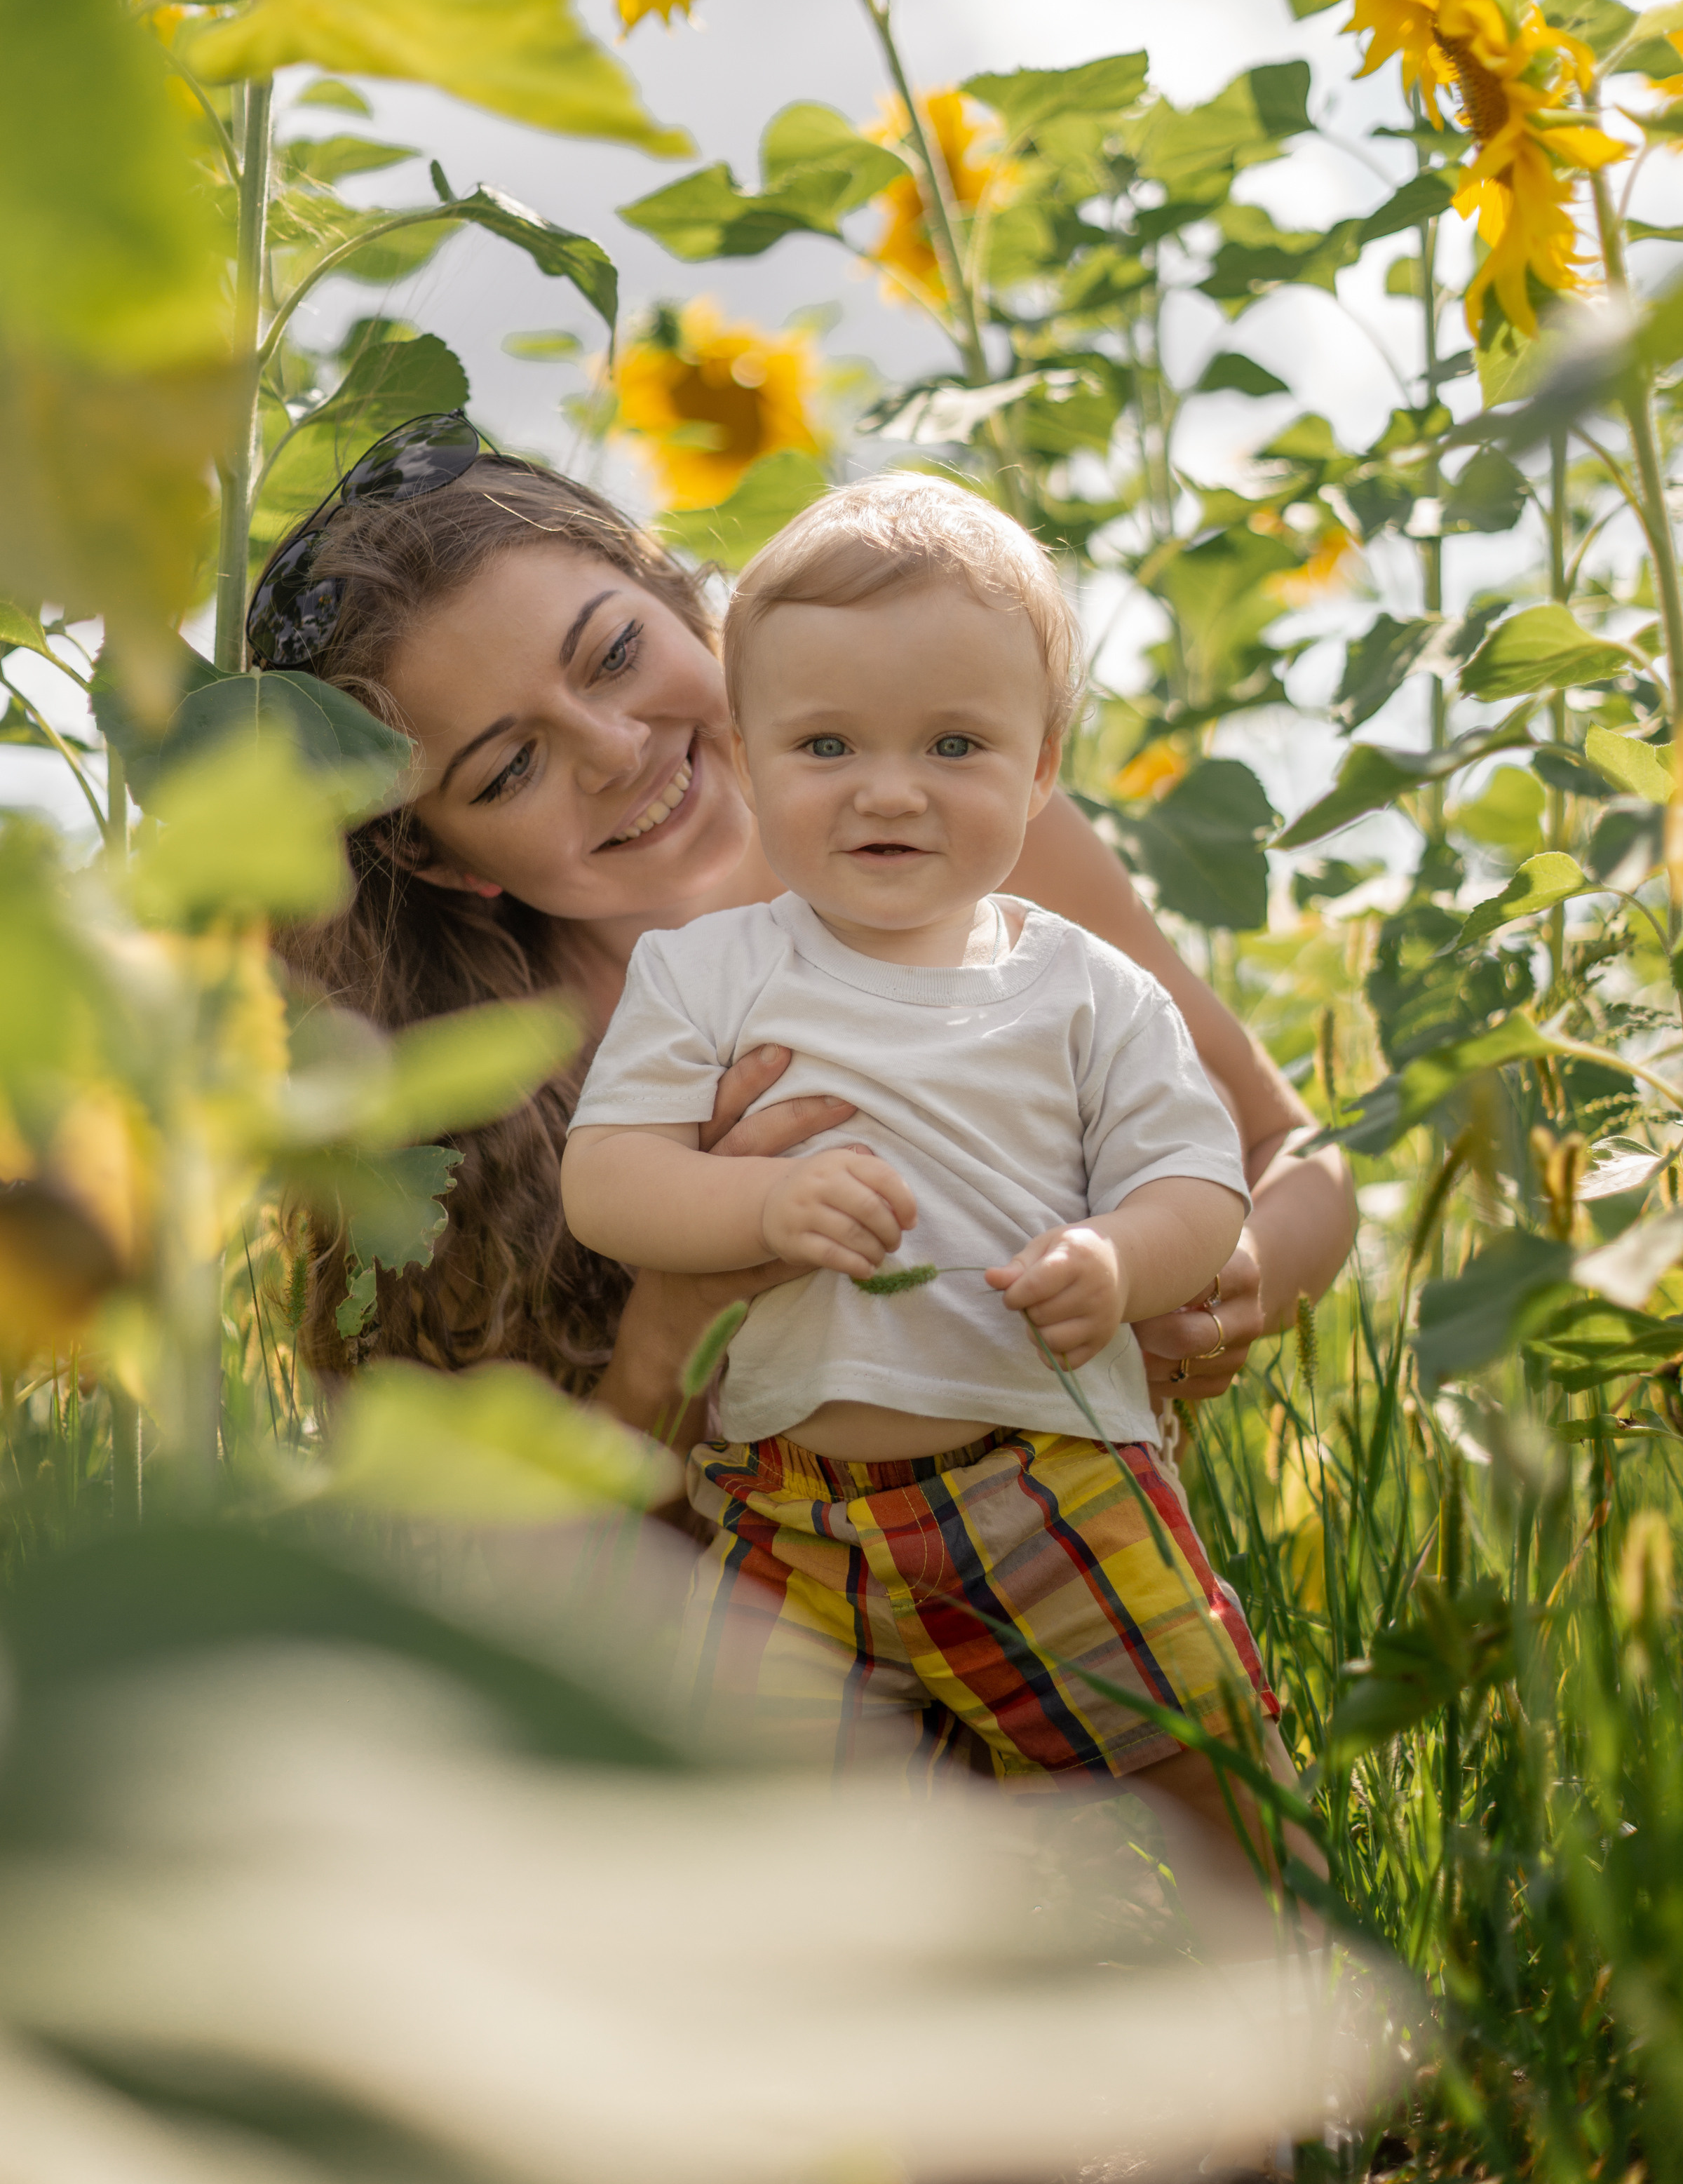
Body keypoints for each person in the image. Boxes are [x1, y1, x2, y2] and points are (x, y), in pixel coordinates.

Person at [266, 419, 1353, 1454]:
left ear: (679, 597)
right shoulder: (456, 1101)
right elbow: (516, 1575)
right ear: (442, 858)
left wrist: (1223, 1272)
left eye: (614, 654)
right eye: (510, 768)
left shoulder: (952, 831)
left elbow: (1287, 1152)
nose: (614, 750)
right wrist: (674, 1326)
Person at [561, 473, 1278, 1805]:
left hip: (1053, 1480)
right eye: (827, 748)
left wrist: (1123, 1263)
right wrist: (758, 1214)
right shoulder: (705, 972)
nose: (890, 792)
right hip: (786, 1507)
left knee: (1206, 1771)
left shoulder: (1087, 988)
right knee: (769, 1831)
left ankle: (1294, 1988)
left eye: (955, 747)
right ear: (752, 755)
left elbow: (1201, 1179)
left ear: (1043, 768)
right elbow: (608, 1178)